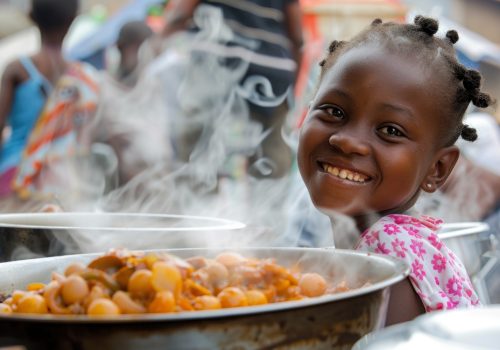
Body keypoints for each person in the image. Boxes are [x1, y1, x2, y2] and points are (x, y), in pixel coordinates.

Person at [297, 16, 492, 325]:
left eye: (390, 130)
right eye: (334, 111)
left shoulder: (387, 247)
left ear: (436, 169)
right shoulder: (395, 237)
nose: (347, 142)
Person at [160, 0, 304, 178]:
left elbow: (181, 14)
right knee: (271, 154)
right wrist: (290, 83)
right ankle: (269, 201)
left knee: (195, 148)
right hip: (271, 71)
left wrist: (154, 44)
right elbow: (297, 37)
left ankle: (195, 198)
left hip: (214, 65)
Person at [0, 0, 79, 201]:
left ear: (31, 16)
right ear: (73, 19)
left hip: (14, 176)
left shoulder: (17, 69)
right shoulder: (79, 76)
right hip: (61, 180)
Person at [114, 20, 153, 87]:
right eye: (138, 47)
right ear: (122, 47)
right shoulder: (114, 85)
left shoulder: (153, 73)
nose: (143, 52)